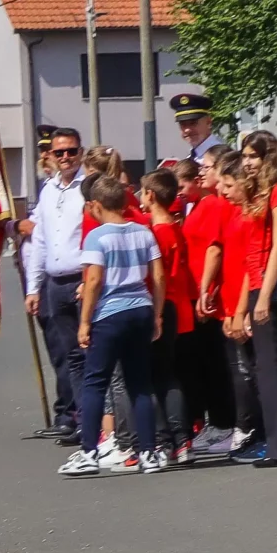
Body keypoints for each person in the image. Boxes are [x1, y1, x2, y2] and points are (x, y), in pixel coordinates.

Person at [59, 171, 166, 477]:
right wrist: (156, 313)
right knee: (139, 384)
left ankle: (89, 451)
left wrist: (84, 321)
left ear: (95, 205)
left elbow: (93, 280)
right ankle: (148, 451)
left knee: (95, 382)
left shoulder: (97, 236)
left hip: (110, 313)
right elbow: (158, 276)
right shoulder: (144, 232)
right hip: (141, 308)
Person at [219, 144, 277, 469]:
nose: (248, 163)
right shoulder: (260, 193)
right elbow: (250, 254)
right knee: (264, 369)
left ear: (269, 158)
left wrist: (265, 294)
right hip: (256, 282)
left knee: (272, 367)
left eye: (253, 157)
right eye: (245, 158)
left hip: (268, 284)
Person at [21, 126, 88, 442]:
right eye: (59, 152)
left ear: (81, 152)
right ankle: (80, 421)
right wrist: (34, 287)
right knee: (71, 356)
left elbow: (95, 236)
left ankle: (99, 425)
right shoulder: (48, 190)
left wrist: (91, 278)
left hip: (83, 281)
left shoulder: (89, 187)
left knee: (91, 355)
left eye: (71, 151)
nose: (65, 157)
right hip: (55, 283)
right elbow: (41, 241)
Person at [180, 149, 245, 458]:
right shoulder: (203, 203)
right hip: (198, 292)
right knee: (208, 363)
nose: (201, 171)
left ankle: (226, 422)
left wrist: (207, 288)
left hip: (213, 294)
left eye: (207, 167)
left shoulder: (217, 205)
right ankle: (219, 422)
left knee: (219, 365)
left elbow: (214, 249)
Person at [138, 167, 198, 465]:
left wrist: (155, 313)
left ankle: (165, 438)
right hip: (175, 305)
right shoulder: (174, 227)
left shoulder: (157, 233)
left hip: (160, 305)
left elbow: (156, 276)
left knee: (154, 376)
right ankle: (182, 438)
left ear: (150, 195)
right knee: (169, 373)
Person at [170, 90, 227, 163]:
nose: (187, 130)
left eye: (193, 123)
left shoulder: (221, 157)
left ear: (208, 122)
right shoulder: (192, 157)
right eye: (183, 124)